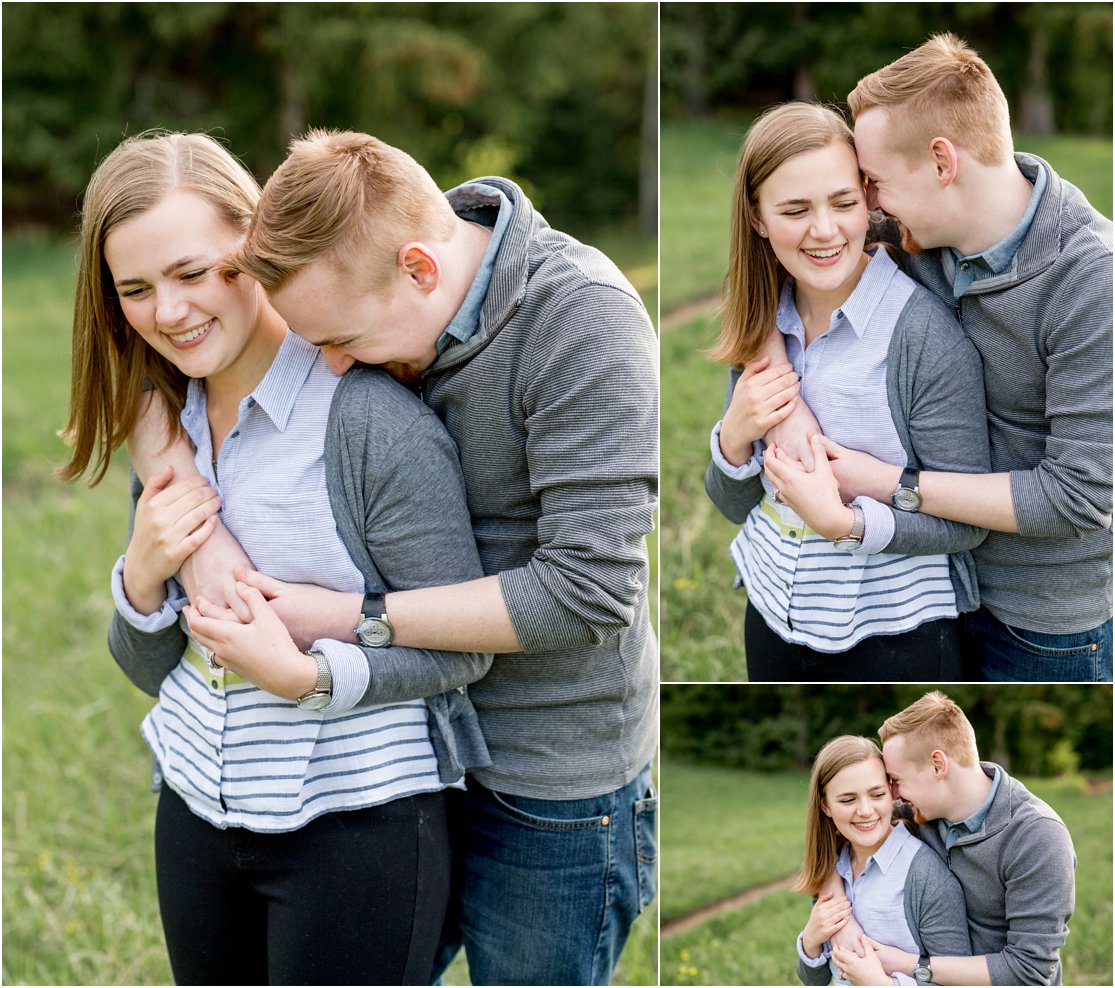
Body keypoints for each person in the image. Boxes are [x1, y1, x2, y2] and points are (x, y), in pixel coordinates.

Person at [124, 129, 659, 986]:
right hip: (412, 754)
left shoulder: (578, 319)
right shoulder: (372, 264)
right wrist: (167, 460)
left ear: (420, 269)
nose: (333, 365)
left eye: (343, 340)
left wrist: (343, 622)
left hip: (545, 779)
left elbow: (590, 592)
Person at [59, 131, 494, 985]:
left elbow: (463, 648)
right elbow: (158, 667)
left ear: (254, 248)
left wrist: (314, 672)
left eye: (193, 274)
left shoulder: (365, 420)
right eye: (136, 290)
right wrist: (142, 578)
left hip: (355, 826)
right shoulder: (167, 422)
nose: (170, 313)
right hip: (193, 809)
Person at [767, 34, 1113, 681]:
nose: (864, 204)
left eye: (872, 182)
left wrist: (884, 484)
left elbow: (1078, 498)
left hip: (1037, 623)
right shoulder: (919, 227)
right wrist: (777, 388)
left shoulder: (1090, 279)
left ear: (940, 161)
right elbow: (776, 250)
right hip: (928, 588)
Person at [703, 101, 991, 681]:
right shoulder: (765, 324)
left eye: (842, 202)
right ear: (757, 218)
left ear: (868, 198)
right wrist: (734, 437)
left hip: (895, 632)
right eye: (794, 210)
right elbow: (736, 505)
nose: (825, 230)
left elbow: (967, 523)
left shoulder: (920, 337)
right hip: (773, 614)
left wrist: (847, 524)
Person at [830, 692, 1076, 986]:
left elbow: (1029, 970)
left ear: (938, 765)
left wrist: (912, 965)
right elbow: (834, 833)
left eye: (897, 779)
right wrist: (840, 920)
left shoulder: (1037, 837)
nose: (892, 794)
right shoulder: (921, 811)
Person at [795, 735, 971, 986]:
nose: (865, 810)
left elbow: (959, 982)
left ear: (892, 791)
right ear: (825, 806)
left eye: (876, 794)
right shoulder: (835, 868)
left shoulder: (925, 875)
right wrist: (810, 941)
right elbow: (816, 979)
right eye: (847, 800)